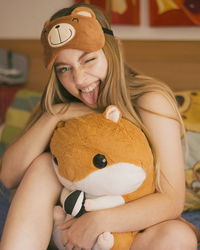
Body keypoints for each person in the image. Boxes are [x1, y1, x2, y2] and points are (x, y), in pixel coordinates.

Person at [0, 3, 199, 250]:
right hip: (67, 228)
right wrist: (53, 116)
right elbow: (8, 177)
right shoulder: (58, 105)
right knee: (43, 165)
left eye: (89, 60)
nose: (80, 79)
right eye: (65, 69)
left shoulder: (149, 101)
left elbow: (171, 201)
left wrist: (98, 221)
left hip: (133, 228)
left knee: (178, 236)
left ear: (111, 51)